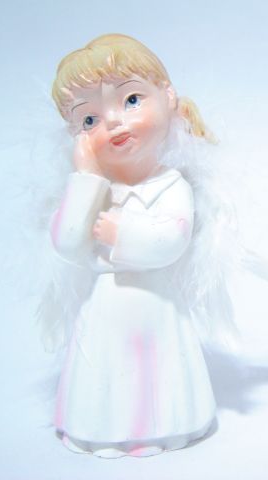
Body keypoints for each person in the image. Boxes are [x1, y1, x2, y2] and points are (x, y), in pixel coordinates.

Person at [49, 33, 218, 458]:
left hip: (155, 302)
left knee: (158, 370)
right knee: (104, 369)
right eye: (89, 119)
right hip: (105, 304)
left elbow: (172, 239)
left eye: (131, 100)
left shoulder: (171, 185)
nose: (114, 123)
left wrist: (121, 233)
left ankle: (163, 428)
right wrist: (86, 178)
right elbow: (67, 243)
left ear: (168, 97)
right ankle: (99, 429)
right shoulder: (90, 188)